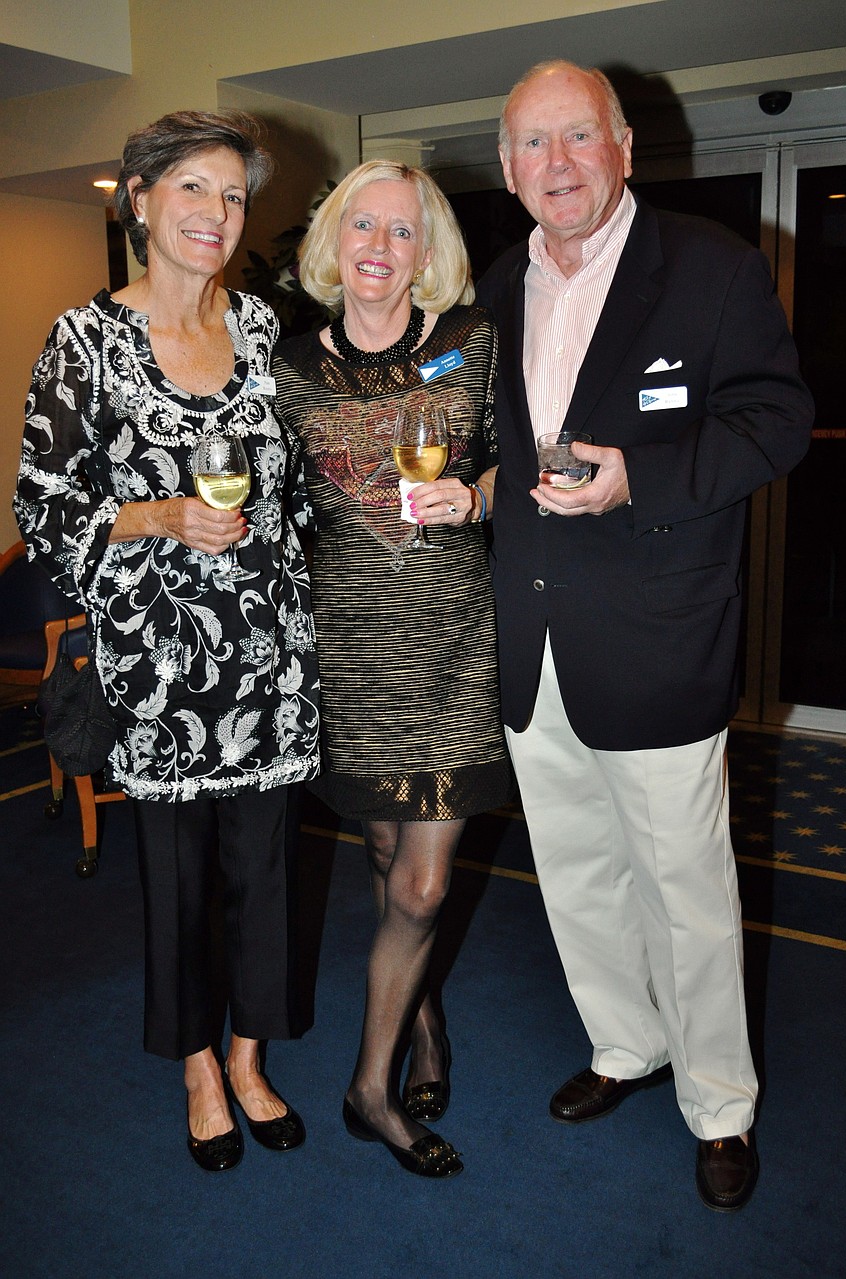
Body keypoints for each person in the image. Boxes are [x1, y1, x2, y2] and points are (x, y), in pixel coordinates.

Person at [477, 61, 814, 1211]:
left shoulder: (711, 267)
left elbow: (778, 419)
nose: (556, 163)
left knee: (685, 890)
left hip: (660, 637)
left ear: (623, 145)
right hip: (532, 641)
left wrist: (642, 480)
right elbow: (486, 445)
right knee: (575, 872)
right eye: (532, 144)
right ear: (507, 168)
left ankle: (720, 1105)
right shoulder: (492, 288)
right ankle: (625, 1042)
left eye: (577, 136)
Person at [15, 111, 320, 1173]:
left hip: (270, 656)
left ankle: (249, 1057)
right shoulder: (84, 343)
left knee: (267, 875)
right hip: (161, 668)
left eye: (233, 196)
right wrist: (156, 515)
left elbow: (293, 489)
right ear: (140, 201)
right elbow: (43, 509)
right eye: (194, 187)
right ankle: (197, 1068)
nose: (217, 213)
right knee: (182, 882)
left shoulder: (264, 328)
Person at [273, 160, 514, 1179]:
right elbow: (275, 498)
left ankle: (368, 1089)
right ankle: (421, 1022)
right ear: (335, 240)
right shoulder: (287, 364)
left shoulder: (473, 342)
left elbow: (518, 455)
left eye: (402, 231)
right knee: (382, 853)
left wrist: (479, 496)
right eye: (362, 225)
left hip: (453, 640)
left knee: (421, 882)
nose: (379, 246)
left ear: (428, 252)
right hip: (350, 648)